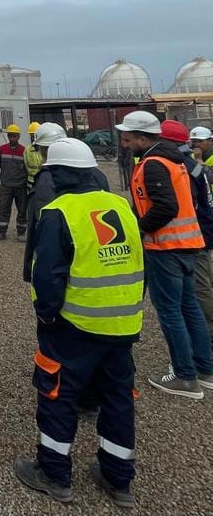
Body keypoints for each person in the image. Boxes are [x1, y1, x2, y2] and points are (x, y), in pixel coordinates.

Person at [14, 139, 144, 509]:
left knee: (58, 394)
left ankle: (54, 474)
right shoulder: (121, 205)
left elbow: (48, 276)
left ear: (57, 175)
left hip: (75, 324)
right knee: (118, 400)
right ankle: (118, 479)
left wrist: (47, 314)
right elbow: (140, 261)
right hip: (123, 323)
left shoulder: (59, 211)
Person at [117, 111, 213, 398]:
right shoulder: (175, 160)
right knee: (189, 308)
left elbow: (165, 207)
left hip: (166, 247)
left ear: (143, 138)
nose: (124, 142)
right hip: (188, 245)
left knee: (171, 312)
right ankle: (204, 369)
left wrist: (140, 229)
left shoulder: (154, 164)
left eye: (128, 137)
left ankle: (185, 377)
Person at [21, 123, 110, 283]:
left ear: (43, 150)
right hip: (100, 245)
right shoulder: (97, 174)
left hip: (67, 253)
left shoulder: (47, 179)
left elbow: (44, 225)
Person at [161, 121, 213, 338]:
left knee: (200, 289)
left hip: (197, 236)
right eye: (195, 141)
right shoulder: (190, 164)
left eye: (200, 140)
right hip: (198, 233)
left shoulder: (187, 166)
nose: (197, 144)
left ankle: (208, 335)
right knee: (198, 289)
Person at [0, 123, 27, 242]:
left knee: (22, 209)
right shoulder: (1, 149)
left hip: (20, 186)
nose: (12, 138)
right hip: (6, 186)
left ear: (19, 136)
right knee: (3, 208)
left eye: (14, 136)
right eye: (10, 136)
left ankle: (21, 233)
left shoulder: (24, 151)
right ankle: (1, 232)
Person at [24, 122, 43, 190]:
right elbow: (26, 165)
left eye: (35, 136)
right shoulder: (27, 150)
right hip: (31, 182)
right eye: (32, 136)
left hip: (44, 181)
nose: (33, 138)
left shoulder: (45, 148)